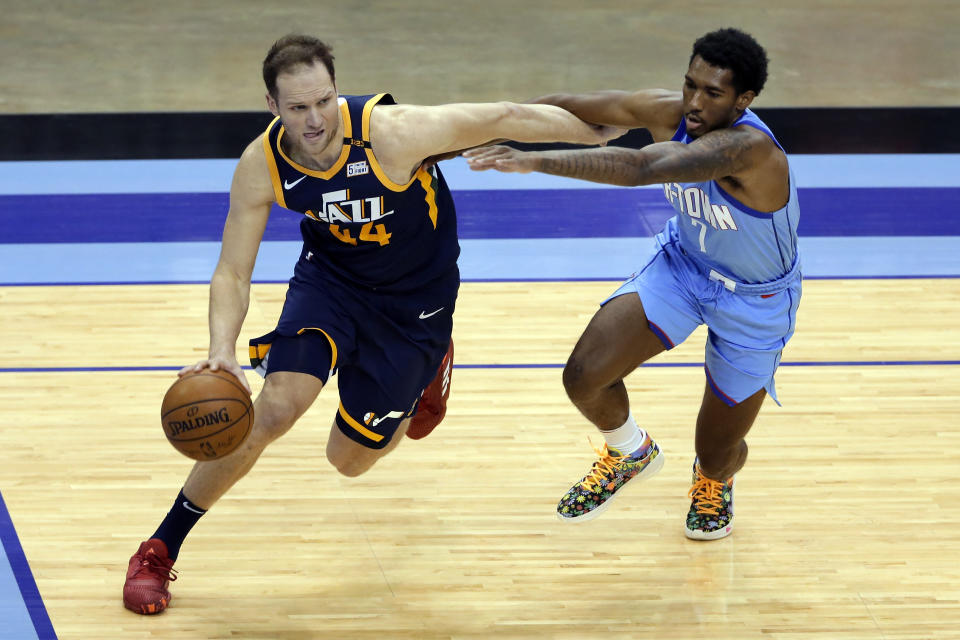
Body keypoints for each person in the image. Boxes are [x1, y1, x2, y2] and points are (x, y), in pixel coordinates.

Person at [123, 34, 618, 615]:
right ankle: (159, 548)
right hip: (330, 285)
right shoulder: (262, 163)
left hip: (415, 304)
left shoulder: (393, 133)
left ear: (337, 90)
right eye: (298, 107)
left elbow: (504, 115)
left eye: (324, 101)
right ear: (272, 106)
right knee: (273, 409)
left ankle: (427, 370)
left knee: (349, 460)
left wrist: (600, 136)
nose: (315, 120)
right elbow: (232, 270)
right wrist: (221, 349)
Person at [465, 28, 801, 540]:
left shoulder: (748, 150)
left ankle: (714, 479)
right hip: (683, 266)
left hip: (755, 300)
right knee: (584, 376)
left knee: (717, 451)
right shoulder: (670, 111)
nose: (694, 101)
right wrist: (481, 131)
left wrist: (536, 160)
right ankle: (630, 450)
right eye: (690, 84)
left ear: (744, 100)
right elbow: (566, 106)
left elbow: (645, 166)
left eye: (712, 93)